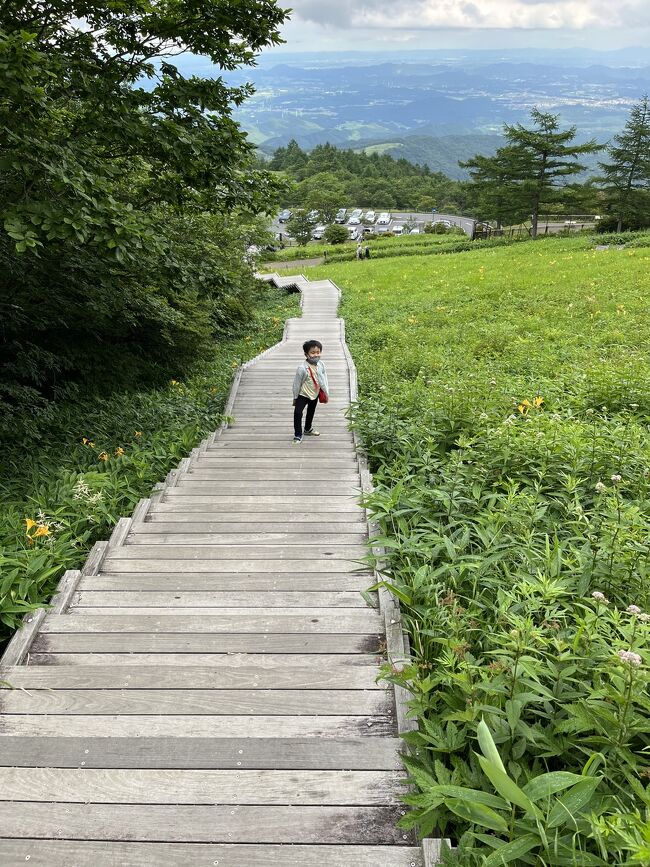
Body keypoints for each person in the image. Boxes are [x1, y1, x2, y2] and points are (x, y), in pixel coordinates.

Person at [292, 339, 329, 444]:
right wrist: (295, 397)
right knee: (298, 413)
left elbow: (324, 378)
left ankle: (308, 429)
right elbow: (296, 384)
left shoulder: (321, 365)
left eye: (318, 352)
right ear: (306, 354)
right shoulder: (302, 368)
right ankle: (298, 434)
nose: (316, 355)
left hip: (315, 393)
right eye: (312, 353)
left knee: (311, 411)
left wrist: (326, 392)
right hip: (303, 394)